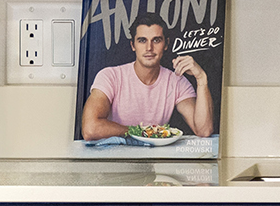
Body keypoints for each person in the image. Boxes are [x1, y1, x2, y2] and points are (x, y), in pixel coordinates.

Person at [80, 14, 215, 139]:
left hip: (154, 160)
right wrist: (142, 133)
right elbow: (90, 129)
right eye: (142, 40)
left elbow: (203, 130)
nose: (149, 48)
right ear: (133, 45)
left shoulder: (176, 81)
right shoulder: (111, 76)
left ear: (166, 44)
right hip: (114, 156)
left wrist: (201, 79)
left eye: (156, 40)